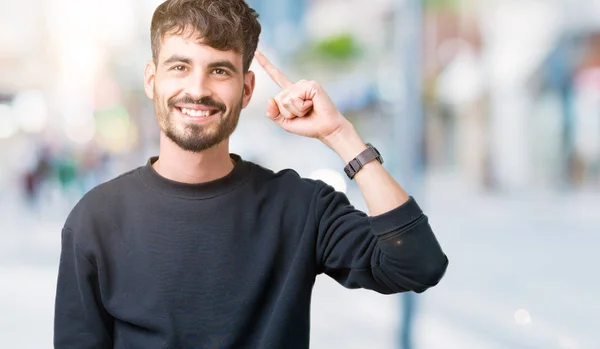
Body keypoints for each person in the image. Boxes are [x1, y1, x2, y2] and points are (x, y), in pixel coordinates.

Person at [53, 0, 448, 348]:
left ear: (246, 89)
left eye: (219, 71)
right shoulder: (96, 219)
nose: (198, 88)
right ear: (151, 79)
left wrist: (340, 136)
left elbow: (418, 264)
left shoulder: (301, 207)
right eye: (179, 66)